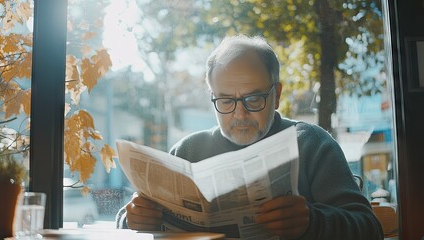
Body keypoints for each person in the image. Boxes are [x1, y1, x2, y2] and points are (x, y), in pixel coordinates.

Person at [116, 35, 383, 240]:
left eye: (253, 99)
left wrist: (312, 222)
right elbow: (126, 219)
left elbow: (370, 228)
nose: (240, 114)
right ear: (213, 98)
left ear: (276, 95)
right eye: (225, 100)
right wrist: (134, 219)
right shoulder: (188, 150)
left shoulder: (312, 144)